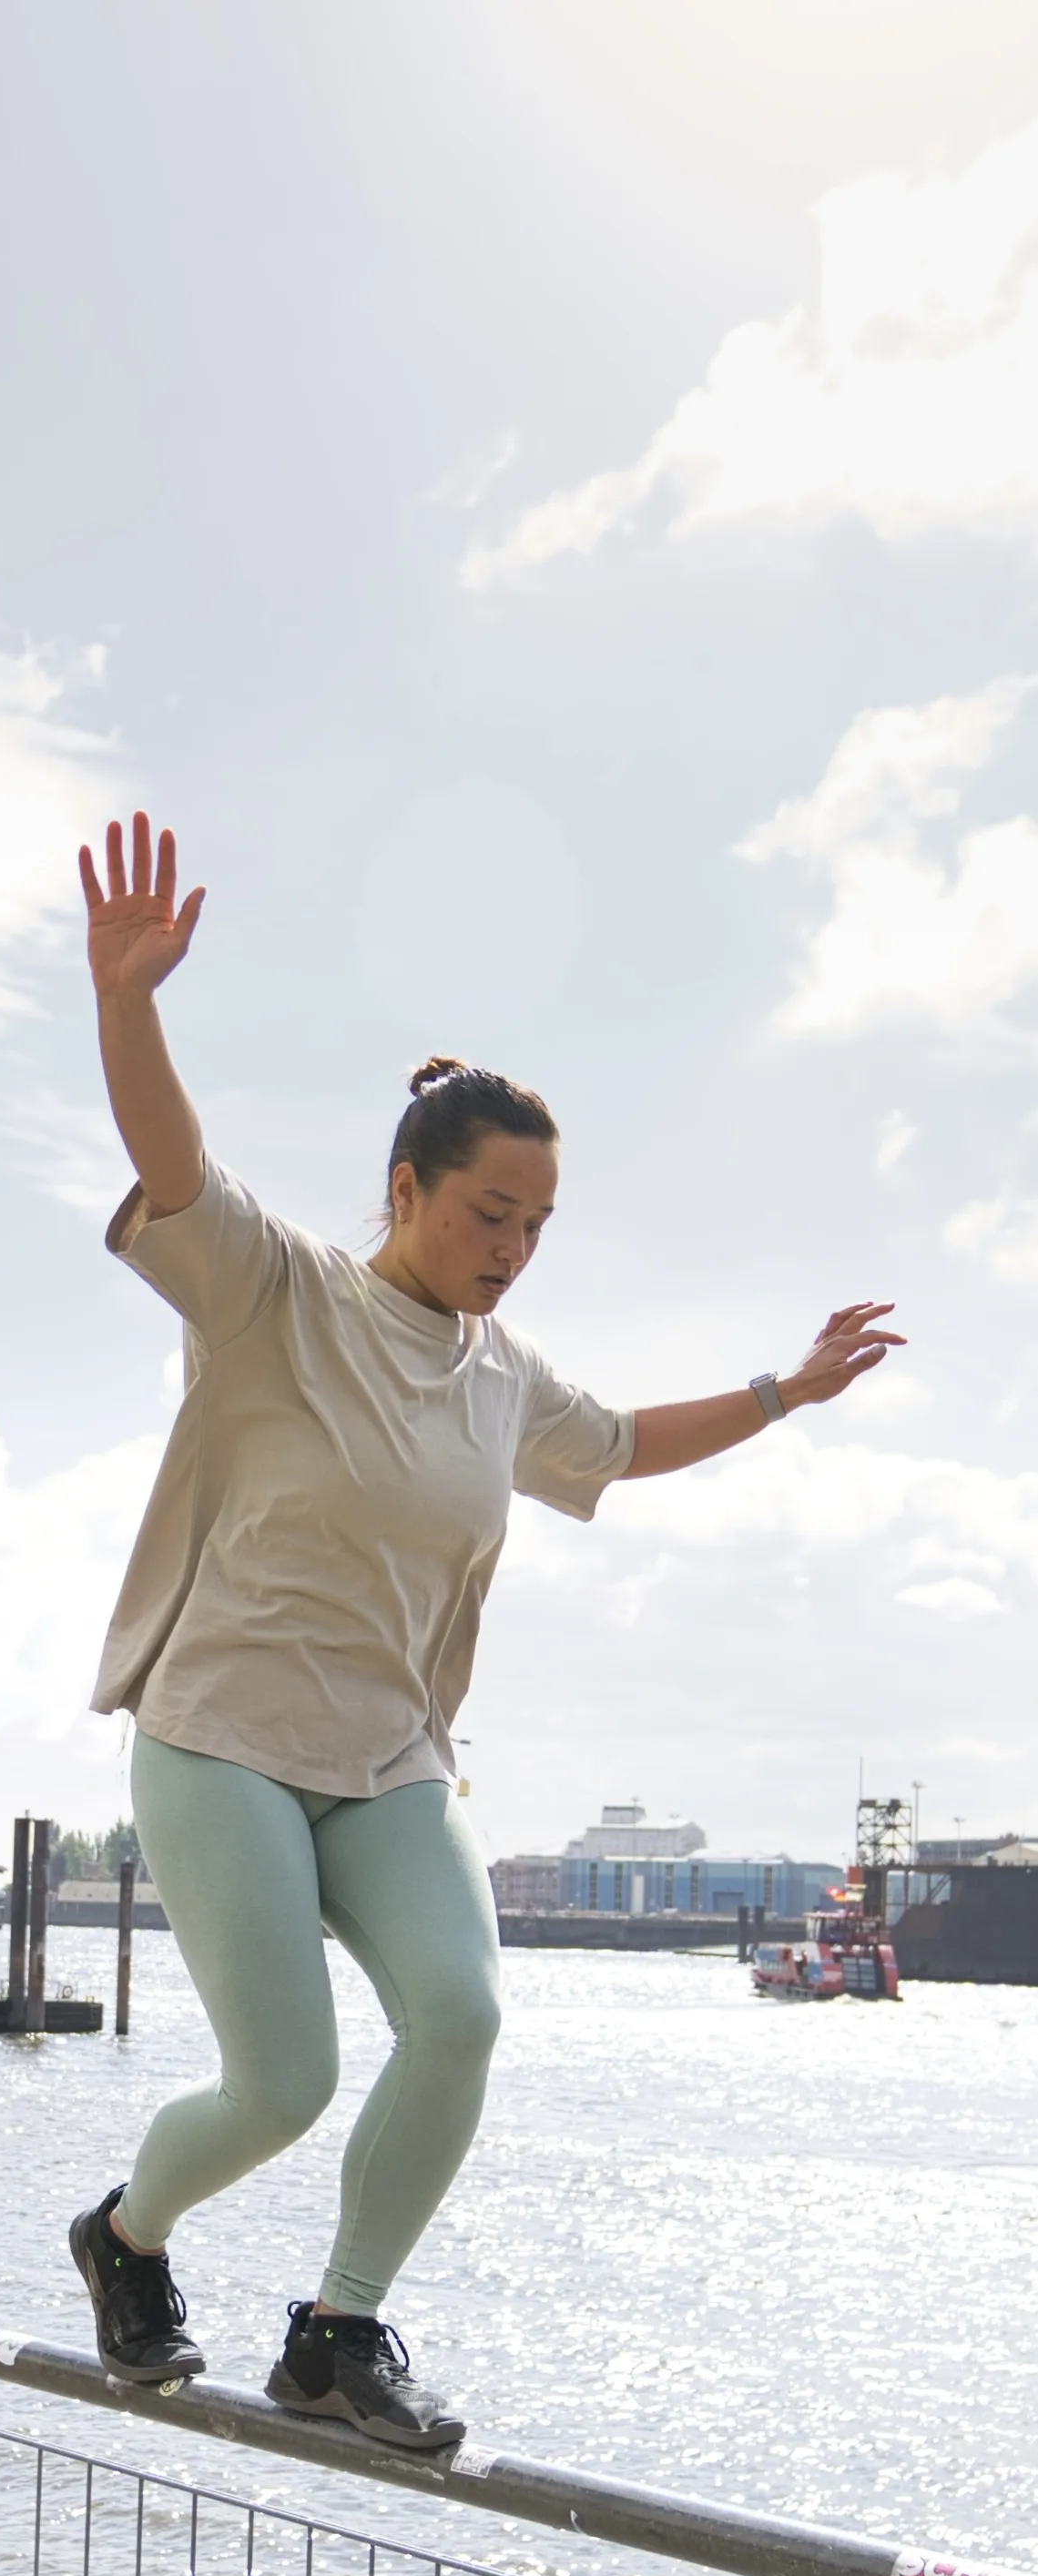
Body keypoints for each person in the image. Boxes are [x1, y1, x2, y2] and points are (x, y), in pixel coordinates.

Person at [68, 813, 901, 2449]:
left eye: (533, 1227)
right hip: (216, 1741)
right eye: (485, 1215)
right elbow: (169, 1157)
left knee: (457, 2013)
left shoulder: (499, 1377)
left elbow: (619, 1447)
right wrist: (125, 1002)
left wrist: (780, 1391)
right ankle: (124, 2237)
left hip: (387, 1765)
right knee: (281, 2086)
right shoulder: (272, 1290)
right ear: (404, 1188)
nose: (510, 1252)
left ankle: (332, 2332)